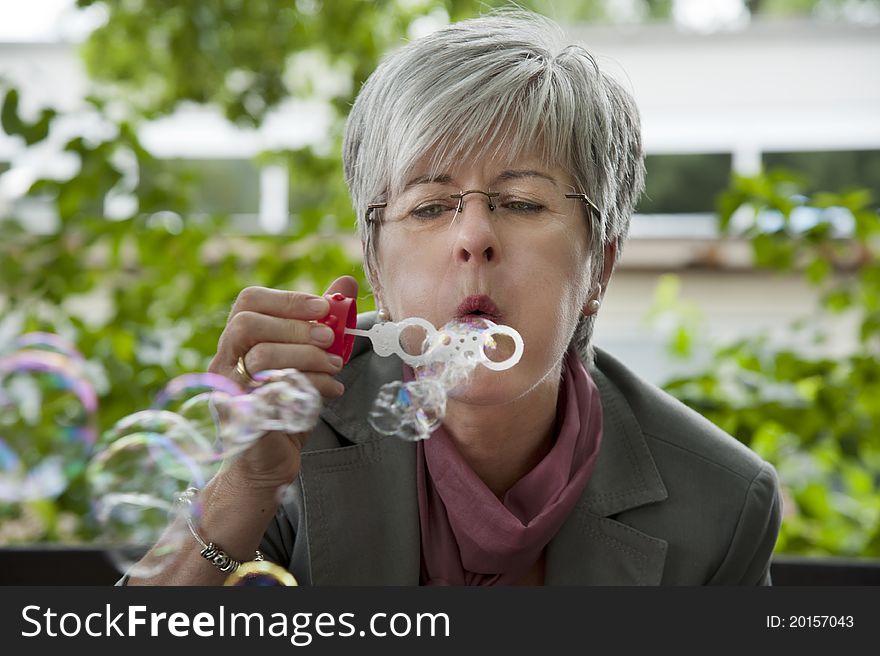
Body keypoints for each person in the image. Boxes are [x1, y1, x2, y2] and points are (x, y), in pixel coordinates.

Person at [127, 10, 782, 586]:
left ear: (600, 266)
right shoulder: (292, 427)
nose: (473, 236)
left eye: (523, 202)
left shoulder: (721, 503)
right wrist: (243, 488)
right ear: (375, 272)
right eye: (431, 205)